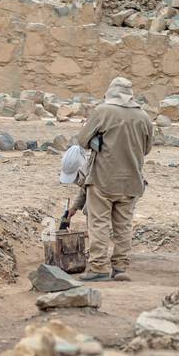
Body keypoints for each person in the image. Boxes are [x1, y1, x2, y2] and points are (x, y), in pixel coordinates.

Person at [76, 76, 153, 281]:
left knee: (99, 223)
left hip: (103, 178)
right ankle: (120, 267)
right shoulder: (144, 116)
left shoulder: (103, 112)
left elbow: (82, 140)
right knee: (124, 225)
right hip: (132, 180)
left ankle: (98, 267)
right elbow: (146, 149)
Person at [57, 144, 92, 230]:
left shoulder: (97, 172)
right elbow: (85, 187)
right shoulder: (88, 172)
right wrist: (74, 207)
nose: (76, 182)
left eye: (76, 177)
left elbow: (93, 206)